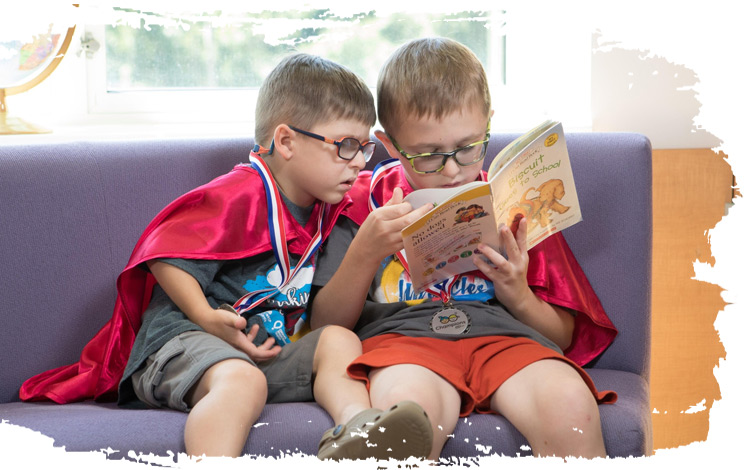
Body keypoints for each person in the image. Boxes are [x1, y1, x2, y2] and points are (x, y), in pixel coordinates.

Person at [20, 53, 433, 461]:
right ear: (286, 141)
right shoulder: (240, 194)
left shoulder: (330, 203)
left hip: (266, 349)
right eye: (345, 146)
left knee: (340, 341)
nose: (359, 161)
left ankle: (360, 431)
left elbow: (388, 186)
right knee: (242, 381)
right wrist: (203, 315)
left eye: (363, 147)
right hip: (185, 341)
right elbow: (163, 254)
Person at [310, 38, 619, 460]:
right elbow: (325, 325)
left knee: (568, 405)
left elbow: (562, 336)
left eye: (469, 147)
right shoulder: (360, 203)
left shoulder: (516, 202)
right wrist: (365, 251)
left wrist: (518, 294)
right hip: (405, 344)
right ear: (391, 144)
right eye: (428, 156)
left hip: (507, 340)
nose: (454, 170)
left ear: (488, 123)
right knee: (407, 410)